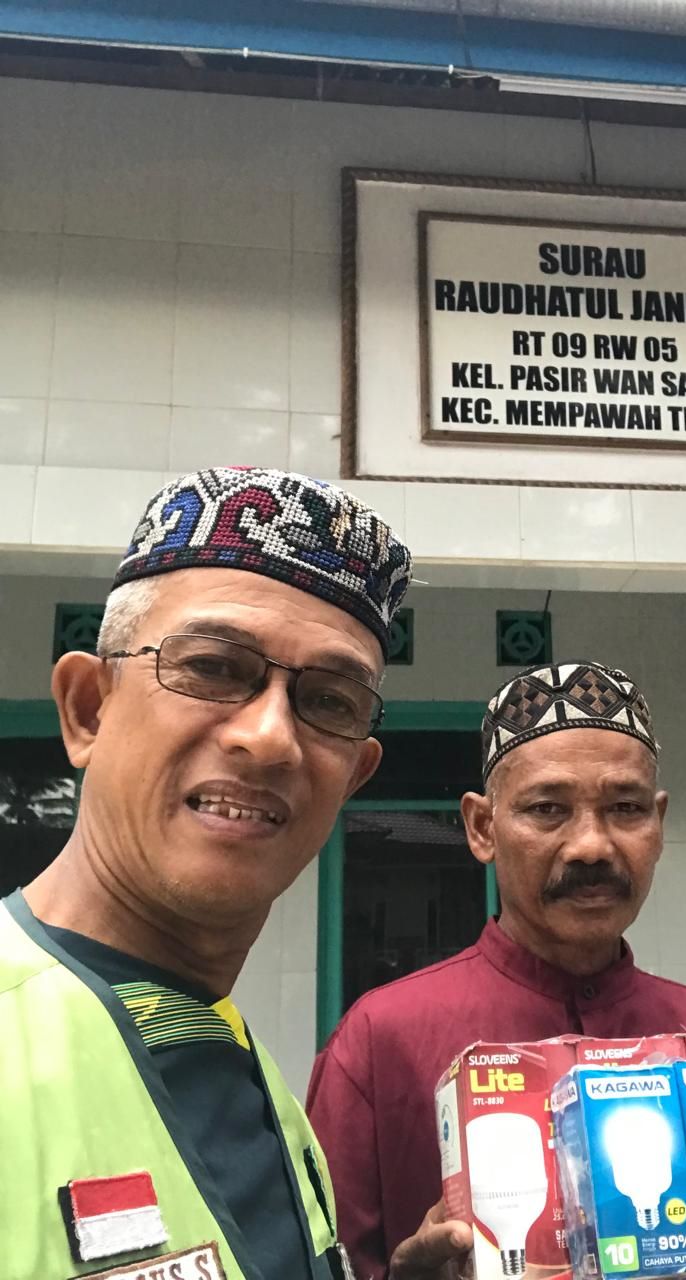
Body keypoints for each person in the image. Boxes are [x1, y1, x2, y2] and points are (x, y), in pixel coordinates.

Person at [0, 465, 416, 1280]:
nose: (269, 738)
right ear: (88, 709)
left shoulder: (262, 1091)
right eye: (214, 667)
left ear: (351, 780)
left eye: (329, 701)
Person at [307, 660, 686, 1280]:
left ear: (658, 825)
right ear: (482, 828)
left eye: (626, 808)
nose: (592, 846)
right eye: (548, 809)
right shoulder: (380, 1042)